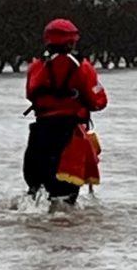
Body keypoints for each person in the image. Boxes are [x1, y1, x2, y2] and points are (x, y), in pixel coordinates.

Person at [22, 18, 107, 205]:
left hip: (41, 133)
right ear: (71, 42)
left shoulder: (36, 66)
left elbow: (30, 94)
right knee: (65, 194)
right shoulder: (83, 67)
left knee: (36, 188)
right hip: (70, 135)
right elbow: (98, 101)